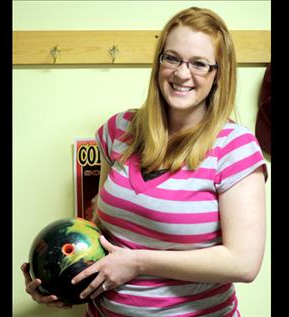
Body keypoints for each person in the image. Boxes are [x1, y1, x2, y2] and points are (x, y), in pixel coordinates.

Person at [22, 6, 267, 317]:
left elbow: (243, 263)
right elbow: (101, 233)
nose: (181, 73)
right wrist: (60, 279)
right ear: (159, 62)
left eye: (199, 64)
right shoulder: (119, 130)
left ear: (219, 74)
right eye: (172, 58)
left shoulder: (235, 148)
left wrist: (138, 262)